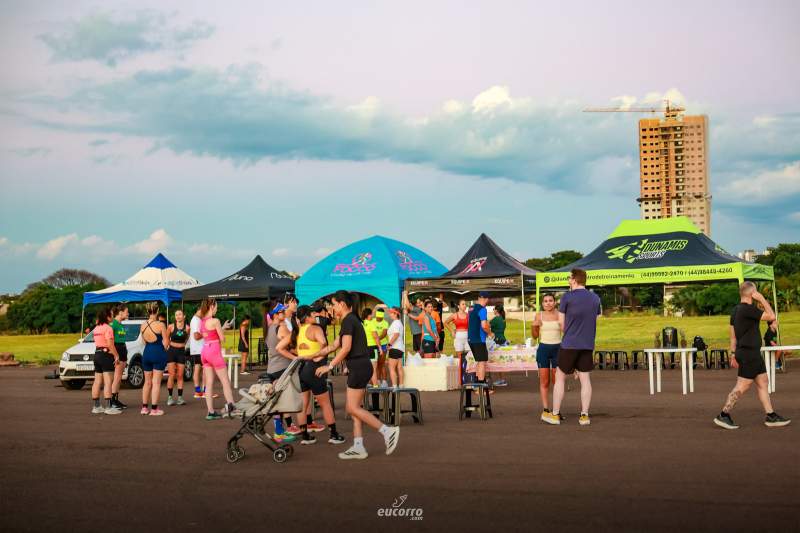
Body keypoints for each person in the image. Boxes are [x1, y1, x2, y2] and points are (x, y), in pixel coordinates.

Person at [314, 290, 399, 460]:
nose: (332, 308)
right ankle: (358, 446)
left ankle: (387, 431)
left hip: (359, 368)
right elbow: (334, 346)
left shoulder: (348, 320)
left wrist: (330, 366)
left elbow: (345, 348)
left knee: (352, 408)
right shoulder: (351, 320)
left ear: (342, 304)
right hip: (360, 367)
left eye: (334, 304)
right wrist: (311, 356)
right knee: (355, 409)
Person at [714, 283, 790, 429]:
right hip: (749, 354)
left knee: (763, 381)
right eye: (756, 292)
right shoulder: (749, 309)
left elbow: (732, 336)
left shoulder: (736, 310)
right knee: (742, 385)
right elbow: (772, 316)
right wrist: (761, 298)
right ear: (752, 293)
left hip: (750, 353)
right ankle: (723, 414)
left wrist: (733, 353)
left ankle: (771, 415)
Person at [276, 305, 345, 445]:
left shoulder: (297, 331)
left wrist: (296, 357)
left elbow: (279, 348)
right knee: (325, 403)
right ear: (307, 317)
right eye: (312, 314)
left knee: (303, 403)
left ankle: (305, 436)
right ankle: (333, 434)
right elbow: (324, 343)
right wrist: (318, 356)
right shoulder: (315, 329)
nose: (315, 315)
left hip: (301, 369)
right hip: (314, 368)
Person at [542, 269, 601, 426]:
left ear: (574, 279)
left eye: (569, 278)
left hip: (569, 343)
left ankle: (555, 414)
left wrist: (569, 332)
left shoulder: (567, 297)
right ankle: (584, 415)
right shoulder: (595, 298)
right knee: (585, 379)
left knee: (560, 377)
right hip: (587, 344)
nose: (568, 280)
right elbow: (595, 319)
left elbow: (562, 323)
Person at [198, 298, 237, 420]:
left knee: (209, 383)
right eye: (216, 307)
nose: (216, 309)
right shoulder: (215, 320)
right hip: (214, 351)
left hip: (205, 351)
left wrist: (222, 327)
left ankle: (210, 412)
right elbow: (222, 338)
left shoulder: (202, 321)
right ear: (211, 306)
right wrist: (223, 328)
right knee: (225, 381)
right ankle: (231, 405)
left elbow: (209, 334)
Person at [265, 303, 296, 443]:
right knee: (282, 401)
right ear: (275, 315)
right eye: (282, 312)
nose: (284, 313)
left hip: (271, 368)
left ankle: (279, 430)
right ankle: (279, 431)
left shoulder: (269, 328)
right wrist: (296, 356)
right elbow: (292, 344)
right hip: (282, 368)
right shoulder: (281, 328)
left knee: (277, 400)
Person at [532, 293, 561, 420]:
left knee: (557, 382)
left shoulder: (560, 315)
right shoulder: (539, 315)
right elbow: (534, 336)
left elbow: (567, 332)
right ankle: (545, 409)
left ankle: (556, 410)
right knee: (544, 381)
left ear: (554, 302)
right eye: (545, 301)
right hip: (543, 349)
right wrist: (534, 325)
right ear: (542, 303)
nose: (548, 303)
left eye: (550, 300)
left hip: (558, 349)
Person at [140, 302, 170, 416]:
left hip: (147, 353)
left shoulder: (142, 325)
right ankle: (154, 409)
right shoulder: (161, 325)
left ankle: (144, 408)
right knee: (156, 382)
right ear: (157, 311)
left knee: (147, 382)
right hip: (158, 352)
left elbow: (143, 342)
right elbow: (166, 343)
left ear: (148, 311)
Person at [90, 307, 121, 415]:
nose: (113, 316)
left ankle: (96, 406)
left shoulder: (96, 328)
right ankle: (109, 407)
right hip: (106, 355)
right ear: (107, 317)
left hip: (97, 354)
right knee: (108, 381)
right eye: (111, 314)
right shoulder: (108, 328)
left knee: (97, 381)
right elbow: (110, 344)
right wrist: (116, 356)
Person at [467, 292, 494, 383]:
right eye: (487, 299)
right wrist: (490, 333)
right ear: (485, 299)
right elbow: (484, 326)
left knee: (479, 361)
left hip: (471, 339)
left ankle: (478, 384)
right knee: (482, 362)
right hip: (479, 339)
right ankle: (481, 385)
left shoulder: (472, 309)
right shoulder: (483, 309)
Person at [166, 309, 189, 406]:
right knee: (172, 375)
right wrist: (169, 346)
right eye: (176, 315)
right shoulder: (171, 326)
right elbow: (166, 338)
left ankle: (180, 398)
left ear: (184, 316)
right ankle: (170, 397)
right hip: (171, 352)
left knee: (180, 375)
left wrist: (182, 345)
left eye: (180, 314)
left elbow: (187, 338)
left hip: (181, 352)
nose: (178, 316)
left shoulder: (187, 328)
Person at [445, 299, 470, 382]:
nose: (465, 306)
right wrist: (452, 330)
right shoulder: (455, 315)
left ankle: (467, 379)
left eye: (465, 304)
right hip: (458, 337)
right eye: (463, 304)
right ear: (459, 306)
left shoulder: (468, 315)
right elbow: (445, 322)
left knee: (468, 358)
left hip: (467, 337)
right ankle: (460, 380)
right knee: (460, 358)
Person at [109, 304, 129, 410]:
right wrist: (114, 353)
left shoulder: (120, 324)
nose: (128, 314)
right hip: (118, 349)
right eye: (126, 312)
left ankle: (116, 399)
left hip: (122, 349)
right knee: (117, 377)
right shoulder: (113, 324)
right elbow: (109, 340)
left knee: (119, 376)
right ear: (120, 312)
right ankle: (112, 401)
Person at [370, 306, 390, 387]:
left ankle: (384, 382)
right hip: (374, 345)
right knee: (376, 364)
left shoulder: (385, 323)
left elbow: (384, 333)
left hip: (383, 345)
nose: (379, 318)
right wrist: (376, 340)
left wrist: (377, 338)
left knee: (382, 364)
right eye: (378, 316)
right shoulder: (372, 321)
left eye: (380, 316)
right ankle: (377, 380)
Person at [386, 307, 405, 389]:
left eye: (391, 313)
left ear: (396, 314)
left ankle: (394, 386)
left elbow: (396, 334)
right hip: (400, 348)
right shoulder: (399, 322)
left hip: (395, 348)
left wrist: (389, 344)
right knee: (399, 367)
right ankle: (401, 385)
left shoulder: (396, 323)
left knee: (391, 368)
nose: (390, 314)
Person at [189, 308, 205, 398]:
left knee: (198, 369)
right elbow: (196, 336)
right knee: (203, 370)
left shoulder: (197, 319)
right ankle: (204, 391)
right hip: (198, 349)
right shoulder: (196, 320)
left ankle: (198, 391)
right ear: (199, 310)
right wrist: (206, 333)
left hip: (198, 349)